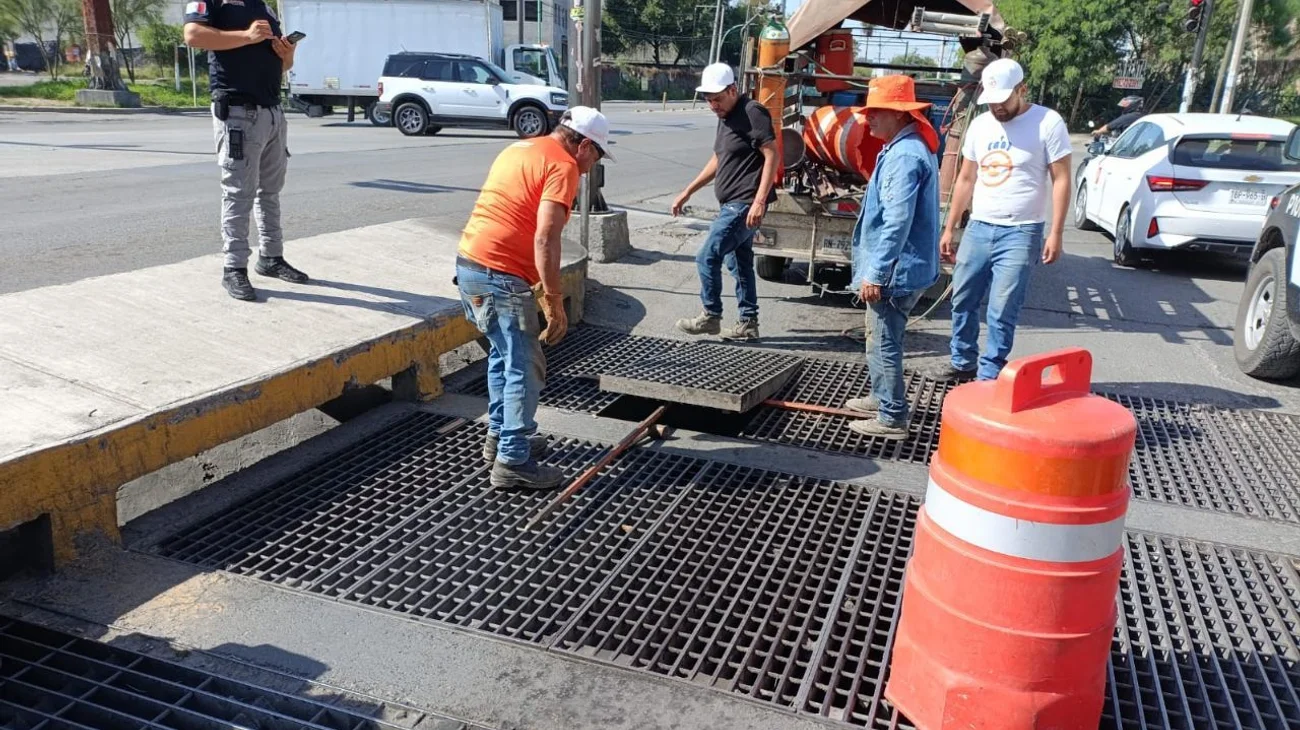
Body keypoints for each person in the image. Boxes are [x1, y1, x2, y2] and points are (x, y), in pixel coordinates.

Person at [457, 107, 613, 490]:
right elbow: (546, 237)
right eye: (597, 156)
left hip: (471, 266)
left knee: (503, 356)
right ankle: (512, 460)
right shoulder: (564, 166)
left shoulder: (521, 149)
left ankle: (501, 437)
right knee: (525, 366)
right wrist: (553, 299)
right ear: (586, 145)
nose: (593, 166)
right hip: (502, 275)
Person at [928, 58, 1072, 382]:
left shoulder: (1048, 123)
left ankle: (989, 374)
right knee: (962, 298)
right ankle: (962, 362)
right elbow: (966, 178)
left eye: (1003, 101)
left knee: (1001, 308)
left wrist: (1056, 232)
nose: (997, 108)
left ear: (1022, 90)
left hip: (1021, 231)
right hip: (979, 226)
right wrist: (949, 227)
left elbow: (1061, 179)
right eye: (991, 102)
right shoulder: (980, 125)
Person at [184, 0, 308, 301]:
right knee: (239, 193)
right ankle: (234, 268)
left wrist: (287, 55)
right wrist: (246, 36)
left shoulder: (263, 8)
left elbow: (281, 66)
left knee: (270, 191)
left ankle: (271, 257)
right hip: (239, 113)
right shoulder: (213, 3)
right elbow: (193, 35)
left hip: (272, 112)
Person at [843, 76, 941, 440]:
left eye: (877, 112)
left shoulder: (903, 156)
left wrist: (877, 272)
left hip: (896, 271)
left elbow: (897, 221)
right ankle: (882, 395)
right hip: (906, 267)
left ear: (900, 115)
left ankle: (892, 416)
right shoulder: (908, 146)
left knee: (883, 339)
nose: (869, 120)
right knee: (880, 336)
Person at [671, 62, 779, 342]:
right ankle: (748, 323)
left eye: (717, 99)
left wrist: (759, 201)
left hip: (743, 204)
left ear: (733, 90)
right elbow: (719, 159)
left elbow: (772, 155)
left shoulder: (752, 112)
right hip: (732, 202)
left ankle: (711, 315)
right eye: (708, 100)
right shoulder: (726, 117)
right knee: (739, 262)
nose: (713, 106)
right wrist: (688, 190)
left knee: (707, 255)